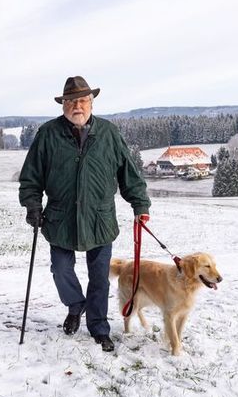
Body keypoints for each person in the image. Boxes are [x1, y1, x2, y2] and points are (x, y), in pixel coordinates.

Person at [18, 75, 151, 352]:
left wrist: (140, 205)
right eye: (70, 101)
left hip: (99, 219)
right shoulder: (48, 134)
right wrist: (32, 205)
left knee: (100, 277)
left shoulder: (109, 133)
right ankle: (76, 304)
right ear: (63, 105)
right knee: (61, 268)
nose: (76, 106)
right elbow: (31, 177)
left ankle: (99, 328)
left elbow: (128, 173)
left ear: (91, 102)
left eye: (81, 100)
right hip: (60, 218)